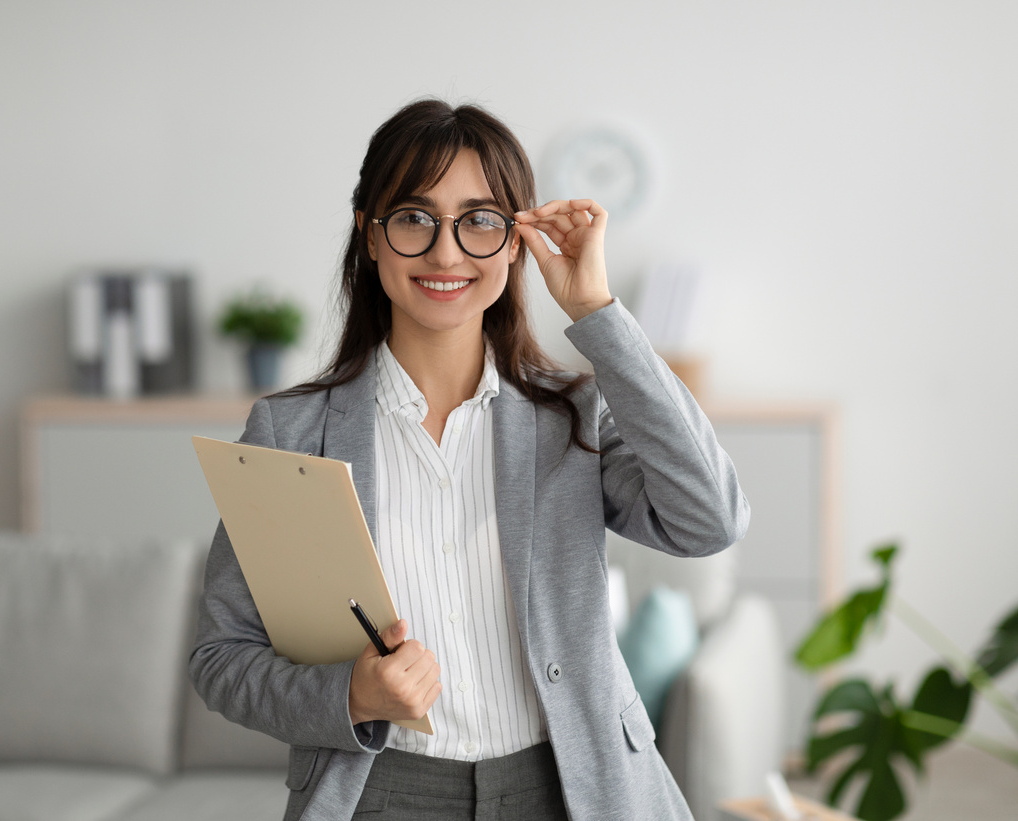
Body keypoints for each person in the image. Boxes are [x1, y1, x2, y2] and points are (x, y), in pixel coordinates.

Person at [190, 98, 750, 821]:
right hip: (379, 793)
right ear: (371, 236)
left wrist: (597, 313)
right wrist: (350, 695)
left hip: (569, 790)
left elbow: (709, 518)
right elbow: (222, 657)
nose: (446, 253)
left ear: (516, 242)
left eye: (480, 221)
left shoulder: (572, 416)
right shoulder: (289, 430)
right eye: (414, 218)